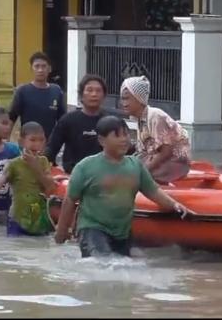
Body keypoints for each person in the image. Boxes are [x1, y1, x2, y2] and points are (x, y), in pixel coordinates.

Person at [54, 115, 190, 258]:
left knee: (122, 267)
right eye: (117, 135)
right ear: (101, 140)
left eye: (126, 134)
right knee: (102, 266)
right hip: (92, 229)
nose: (124, 139)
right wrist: (62, 231)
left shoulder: (135, 166)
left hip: (122, 232)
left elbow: (153, 191)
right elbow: (70, 199)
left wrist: (174, 205)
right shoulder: (85, 167)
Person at [0, 122, 56, 236]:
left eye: (41, 140)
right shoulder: (13, 164)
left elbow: (50, 187)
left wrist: (36, 167)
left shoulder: (43, 162)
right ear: (21, 141)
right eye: (33, 140)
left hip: (37, 216)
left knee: (39, 249)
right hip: (17, 218)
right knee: (15, 250)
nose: (37, 144)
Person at [120, 76, 190, 184]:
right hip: (156, 158)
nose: (123, 103)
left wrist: (143, 171)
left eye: (127, 98)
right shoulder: (140, 119)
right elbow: (143, 151)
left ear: (139, 98)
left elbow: (166, 152)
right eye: (122, 99)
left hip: (174, 162)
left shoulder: (155, 115)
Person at [46, 74, 108, 174]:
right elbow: (51, 149)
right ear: (81, 95)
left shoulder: (111, 122)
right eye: (89, 90)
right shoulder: (68, 120)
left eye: (98, 90)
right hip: (73, 175)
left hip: (103, 177)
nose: (94, 94)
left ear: (104, 96)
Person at [9, 52, 66, 140]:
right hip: (27, 143)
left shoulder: (56, 91)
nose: (40, 70)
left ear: (49, 69)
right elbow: (12, 117)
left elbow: (62, 120)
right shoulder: (22, 91)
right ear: (31, 69)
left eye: (44, 66)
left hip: (49, 145)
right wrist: (6, 139)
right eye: (37, 66)